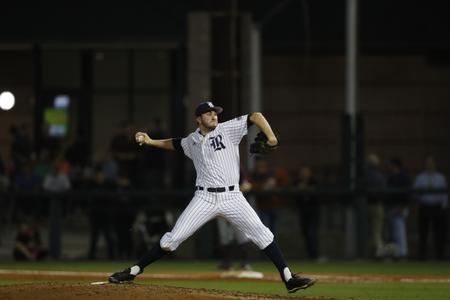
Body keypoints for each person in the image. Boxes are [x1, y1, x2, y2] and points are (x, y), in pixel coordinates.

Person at [108, 101, 316, 293]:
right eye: (209, 113)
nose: (214, 115)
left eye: (215, 112)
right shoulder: (192, 140)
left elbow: (256, 116)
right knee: (173, 239)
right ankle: (133, 271)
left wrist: (272, 138)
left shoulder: (228, 130)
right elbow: (174, 143)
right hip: (204, 198)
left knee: (263, 234)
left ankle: (289, 279)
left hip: (232, 197)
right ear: (198, 119)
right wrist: (150, 140)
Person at [413, 155, 448, 260]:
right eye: (427, 163)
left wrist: (444, 206)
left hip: (437, 208)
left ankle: (440, 256)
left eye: (431, 162)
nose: (429, 165)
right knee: (423, 233)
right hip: (425, 207)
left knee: (439, 233)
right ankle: (422, 257)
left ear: (434, 164)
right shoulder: (420, 178)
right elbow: (415, 192)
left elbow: (445, 193)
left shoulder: (440, 177)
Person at [385, 157, 411, 259]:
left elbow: (408, 194)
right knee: (390, 234)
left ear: (395, 166)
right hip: (391, 208)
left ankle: (403, 254)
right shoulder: (390, 177)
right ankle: (393, 254)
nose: (389, 167)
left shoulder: (404, 177)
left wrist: (403, 207)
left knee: (400, 232)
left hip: (400, 207)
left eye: (391, 165)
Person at [364, 153, 387, 258]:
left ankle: (375, 254)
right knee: (376, 232)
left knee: (373, 232)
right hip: (375, 206)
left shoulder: (367, 176)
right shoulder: (378, 175)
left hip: (369, 205)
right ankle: (377, 254)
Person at [295, 165, 320, 260]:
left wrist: (307, 188)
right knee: (305, 232)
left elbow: (318, 194)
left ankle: (314, 255)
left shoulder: (314, 181)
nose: (305, 174)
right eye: (303, 172)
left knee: (312, 233)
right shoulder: (298, 182)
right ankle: (309, 254)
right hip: (303, 211)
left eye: (307, 172)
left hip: (313, 211)